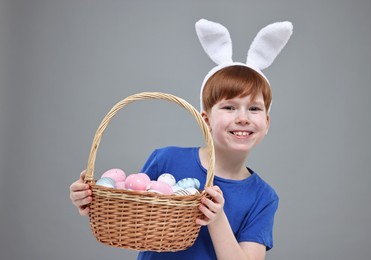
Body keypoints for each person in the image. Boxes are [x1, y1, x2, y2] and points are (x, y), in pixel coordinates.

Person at [69, 18, 293, 260]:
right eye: (229, 107)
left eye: (254, 109)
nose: (242, 118)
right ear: (205, 119)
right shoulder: (167, 160)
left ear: (267, 123)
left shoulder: (262, 197)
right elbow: (132, 213)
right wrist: (94, 199)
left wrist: (217, 220)